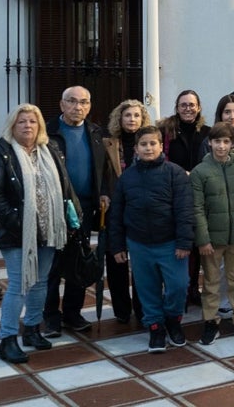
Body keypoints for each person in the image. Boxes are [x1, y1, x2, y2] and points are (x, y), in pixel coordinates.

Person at [0, 105, 78, 364]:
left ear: (40, 126)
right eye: (21, 122)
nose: (27, 126)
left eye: (32, 122)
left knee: (41, 281)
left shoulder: (50, 151)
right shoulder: (2, 154)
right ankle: (8, 338)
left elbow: (65, 186)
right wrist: (16, 222)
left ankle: (33, 329)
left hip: (49, 229)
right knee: (19, 283)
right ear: (12, 126)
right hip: (17, 232)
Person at [109, 126, 194, 353]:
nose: (148, 148)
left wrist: (184, 242)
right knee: (147, 289)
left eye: (153, 143)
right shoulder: (127, 178)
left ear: (161, 146)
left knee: (178, 286)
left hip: (171, 243)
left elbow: (185, 210)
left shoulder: (175, 173)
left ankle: (173, 321)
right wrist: (117, 244)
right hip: (139, 244)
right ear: (136, 149)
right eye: (143, 144)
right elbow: (116, 213)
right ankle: (155, 327)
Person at [43, 85, 112, 337]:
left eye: (83, 102)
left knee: (78, 262)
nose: (77, 107)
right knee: (51, 265)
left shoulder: (95, 132)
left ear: (90, 106)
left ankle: (72, 313)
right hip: (54, 209)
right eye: (72, 101)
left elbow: (103, 167)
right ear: (62, 105)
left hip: (83, 210)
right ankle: (50, 317)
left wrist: (104, 191)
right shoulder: (47, 132)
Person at [191, 123, 234, 344]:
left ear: (232, 143)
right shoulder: (200, 171)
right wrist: (203, 239)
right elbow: (197, 208)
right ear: (209, 143)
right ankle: (211, 320)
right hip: (212, 240)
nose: (221, 146)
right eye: (217, 141)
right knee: (211, 281)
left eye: (226, 141)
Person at [102, 100, 152, 325]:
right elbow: (101, 173)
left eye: (136, 116)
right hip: (115, 208)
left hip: (141, 210)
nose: (132, 119)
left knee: (142, 264)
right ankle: (122, 309)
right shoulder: (107, 143)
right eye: (127, 115)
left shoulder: (148, 143)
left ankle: (142, 309)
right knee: (116, 261)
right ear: (119, 118)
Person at [159, 89, 208, 306]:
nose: (188, 108)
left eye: (192, 105)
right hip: (173, 194)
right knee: (178, 243)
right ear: (177, 108)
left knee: (198, 244)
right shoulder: (165, 132)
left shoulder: (207, 132)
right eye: (183, 105)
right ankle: (177, 287)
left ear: (198, 108)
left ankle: (193, 289)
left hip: (200, 193)